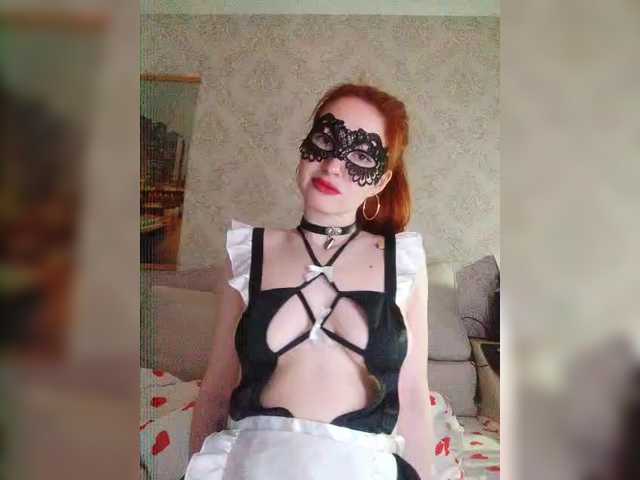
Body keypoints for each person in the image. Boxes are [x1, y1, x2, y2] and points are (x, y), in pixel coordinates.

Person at [185, 83, 434, 479]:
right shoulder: (248, 253)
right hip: (254, 466)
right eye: (326, 140)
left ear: (380, 182)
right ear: (305, 146)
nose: (333, 164)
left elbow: (414, 398)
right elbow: (216, 391)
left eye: (360, 155)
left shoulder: (402, 261)